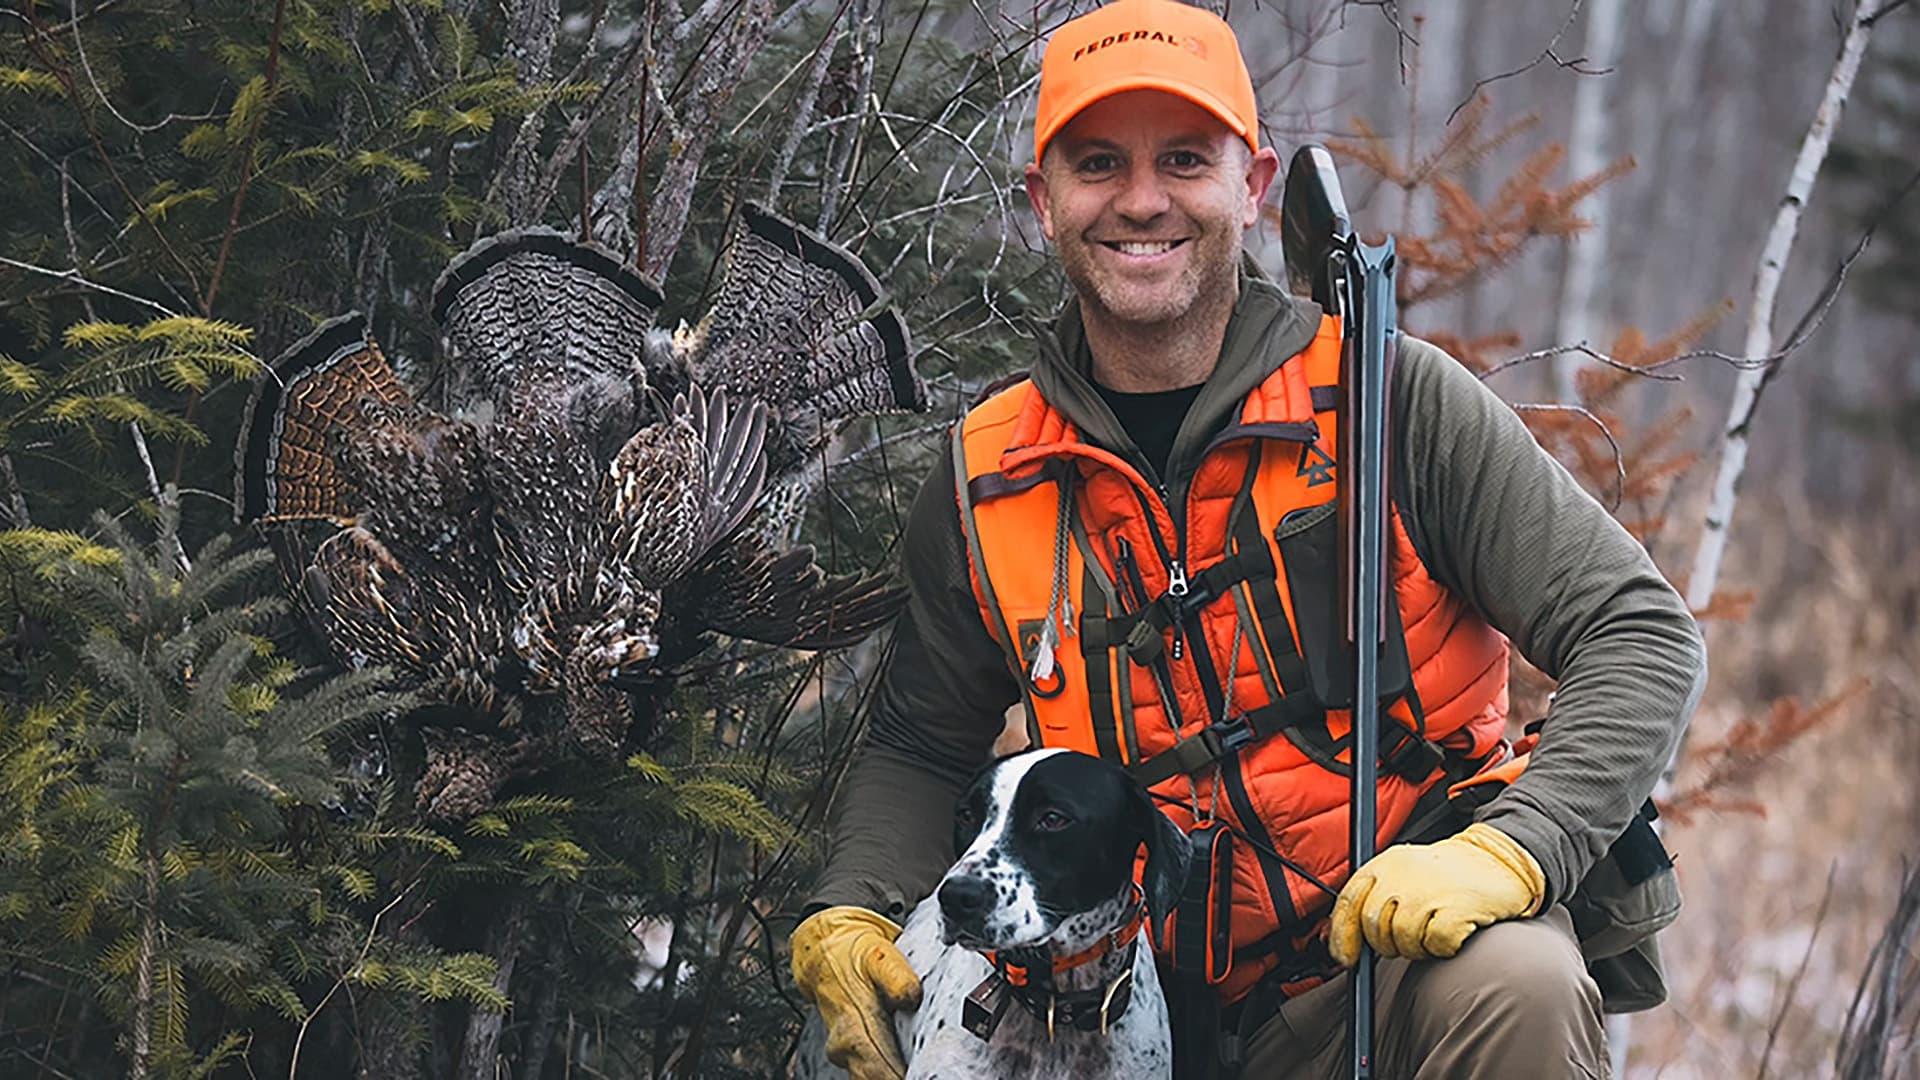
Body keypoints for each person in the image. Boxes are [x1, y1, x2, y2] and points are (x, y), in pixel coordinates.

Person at [788, 1, 1707, 1076]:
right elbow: (918, 740)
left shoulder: (1387, 401)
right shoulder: (989, 473)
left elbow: (1640, 631)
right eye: (1098, 164)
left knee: (1520, 986)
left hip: (1382, 970)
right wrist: (854, 907)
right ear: (1044, 202)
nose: (1141, 200)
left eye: (1184, 159)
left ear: (1254, 185)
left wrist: (1513, 849)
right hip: (1120, 1002)